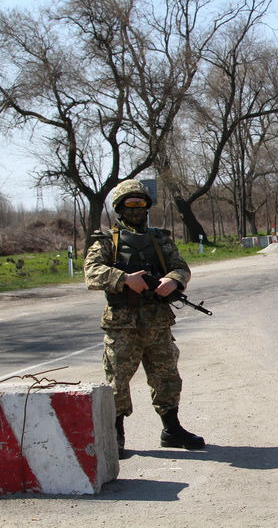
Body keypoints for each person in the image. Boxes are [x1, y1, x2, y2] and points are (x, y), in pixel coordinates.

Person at [84, 179, 205, 458]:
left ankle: (171, 429)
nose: (137, 209)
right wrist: (124, 279)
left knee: (167, 376)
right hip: (122, 324)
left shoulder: (160, 239)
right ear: (120, 208)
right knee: (118, 380)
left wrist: (173, 281)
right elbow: (91, 274)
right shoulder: (106, 241)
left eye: (141, 203)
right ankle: (116, 434)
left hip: (158, 322)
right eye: (131, 204)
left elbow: (181, 268)